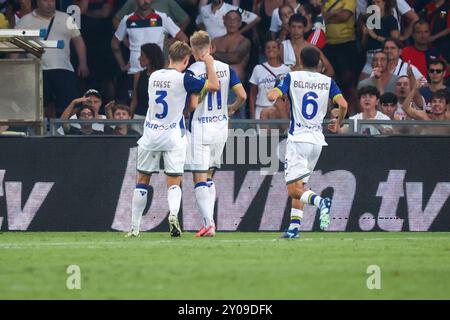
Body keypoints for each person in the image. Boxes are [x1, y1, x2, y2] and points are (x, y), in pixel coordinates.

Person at [126, 41, 219, 238]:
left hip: (150, 135)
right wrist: (209, 62)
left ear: (169, 57)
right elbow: (214, 85)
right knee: (174, 181)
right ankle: (173, 215)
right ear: (186, 60)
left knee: (142, 180)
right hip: (173, 136)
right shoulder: (184, 79)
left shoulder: (153, 76)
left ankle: (134, 227)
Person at [267, 46, 348, 238]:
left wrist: (275, 93)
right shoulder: (328, 81)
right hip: (317, 142)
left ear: (300, 61)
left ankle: (321, 202)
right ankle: (294, 228)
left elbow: (272, 96)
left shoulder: (292, 77)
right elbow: (343, 104)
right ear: (319, 62)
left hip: (298, 140)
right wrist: (338, 123)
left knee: (293, 190)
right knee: (301, 186)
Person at [185, 31, 247, 237]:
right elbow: (243, 96)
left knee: (198, 176)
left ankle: (209, 223)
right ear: (211, 48)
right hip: (221, 128)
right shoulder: (227, 69)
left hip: (201, 128)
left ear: (193, 51)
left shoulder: (192, 71)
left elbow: (192, 105)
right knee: (209, 175)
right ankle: (210, 222)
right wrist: (232, 108)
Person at [15, 0, 90, 118]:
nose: (49, 3)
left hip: (63, 68)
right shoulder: (25, 20)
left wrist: (83, 63)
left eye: (52, 0)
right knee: (39, 105)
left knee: (71, 103)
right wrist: (14, 67)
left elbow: (78, 41)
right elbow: (15, 44)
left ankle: (70, 131)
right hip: (36, 69)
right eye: (45, 1)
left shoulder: (67, 18)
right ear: (38, 2)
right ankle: (41, 132)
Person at [112, 0, 188, 103]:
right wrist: (122, 65)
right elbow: (114, 44)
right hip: (134, 70)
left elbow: (183, 38)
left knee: (158, 104)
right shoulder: (127, 20)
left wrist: (171, 62)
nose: (146, 1)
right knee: (134, 105)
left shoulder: (162, 18)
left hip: (158, 72)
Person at [249, 40, 291, 122]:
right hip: (261, 109)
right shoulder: (258, 69)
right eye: (268, 48)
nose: (271, 49)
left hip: (279, 112)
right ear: (264, 51)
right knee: (263, 135)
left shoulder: (287, 70)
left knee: (276, 135)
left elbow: (289, 95)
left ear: (279, 50)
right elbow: (252, 95)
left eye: (274, 47)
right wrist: (253, 115)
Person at [359, 0, 399, 80]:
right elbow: (363, 45)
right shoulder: (368, 20)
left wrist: (375, 36)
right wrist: (364, 34)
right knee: (362, 85)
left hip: (383, 56)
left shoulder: (390, 19)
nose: (375, 5)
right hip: (369, 56)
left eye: (378, 2)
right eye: (373, 3)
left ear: (384, 3)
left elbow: (395, 41)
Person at [129, 43, 165, 134]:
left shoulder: (164, 75)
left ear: (150, 57)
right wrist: (129, 119)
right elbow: (134, 100)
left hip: (157, 119)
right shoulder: (138, 75)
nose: (139, 58)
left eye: (142, 55)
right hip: (139, 117)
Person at [196, 0, 261, 40]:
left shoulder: (232, 9)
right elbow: (198, 21)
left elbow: (256, 19)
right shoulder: (204, 9)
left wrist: (239, 33)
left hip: (227, 47)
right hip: (209, 47)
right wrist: (206, 32)